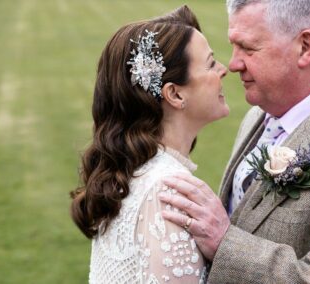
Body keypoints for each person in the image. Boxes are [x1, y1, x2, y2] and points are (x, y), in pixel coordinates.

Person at [159, 0, 310, 283]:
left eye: (248, 48)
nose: (233, 64)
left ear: (305, 47)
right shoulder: (257, 115)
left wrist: (226, 244)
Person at [69, 5, 229, 283]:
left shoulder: (134, 173)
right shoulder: (168, 192)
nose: (224, 70)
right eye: (211, 63)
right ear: (175, 94)